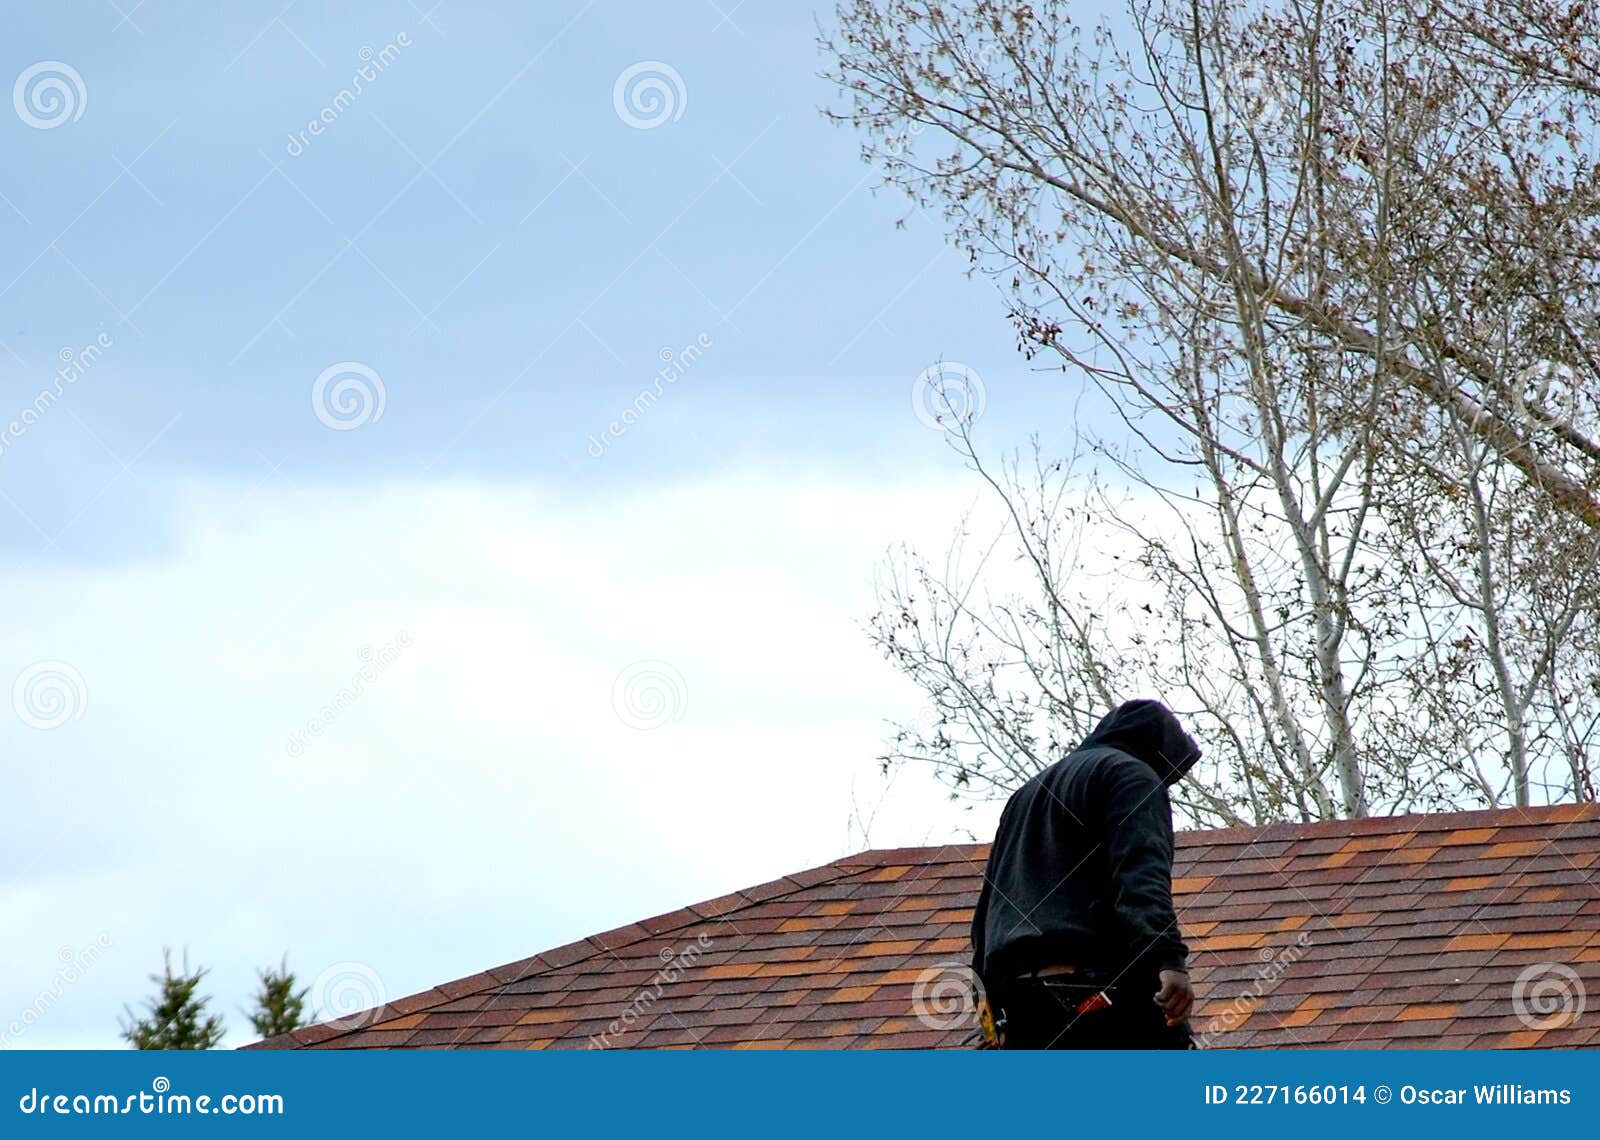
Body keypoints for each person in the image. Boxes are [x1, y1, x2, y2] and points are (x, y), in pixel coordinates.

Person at [970, 699, 1201, 1049]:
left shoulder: (1027, 794)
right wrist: (1168, 961)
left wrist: (988, 1017)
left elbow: (987, 911)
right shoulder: (1131, 775)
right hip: (1094, 995)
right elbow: (1141, 876)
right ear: (1158, 751)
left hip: (1020, 1006)